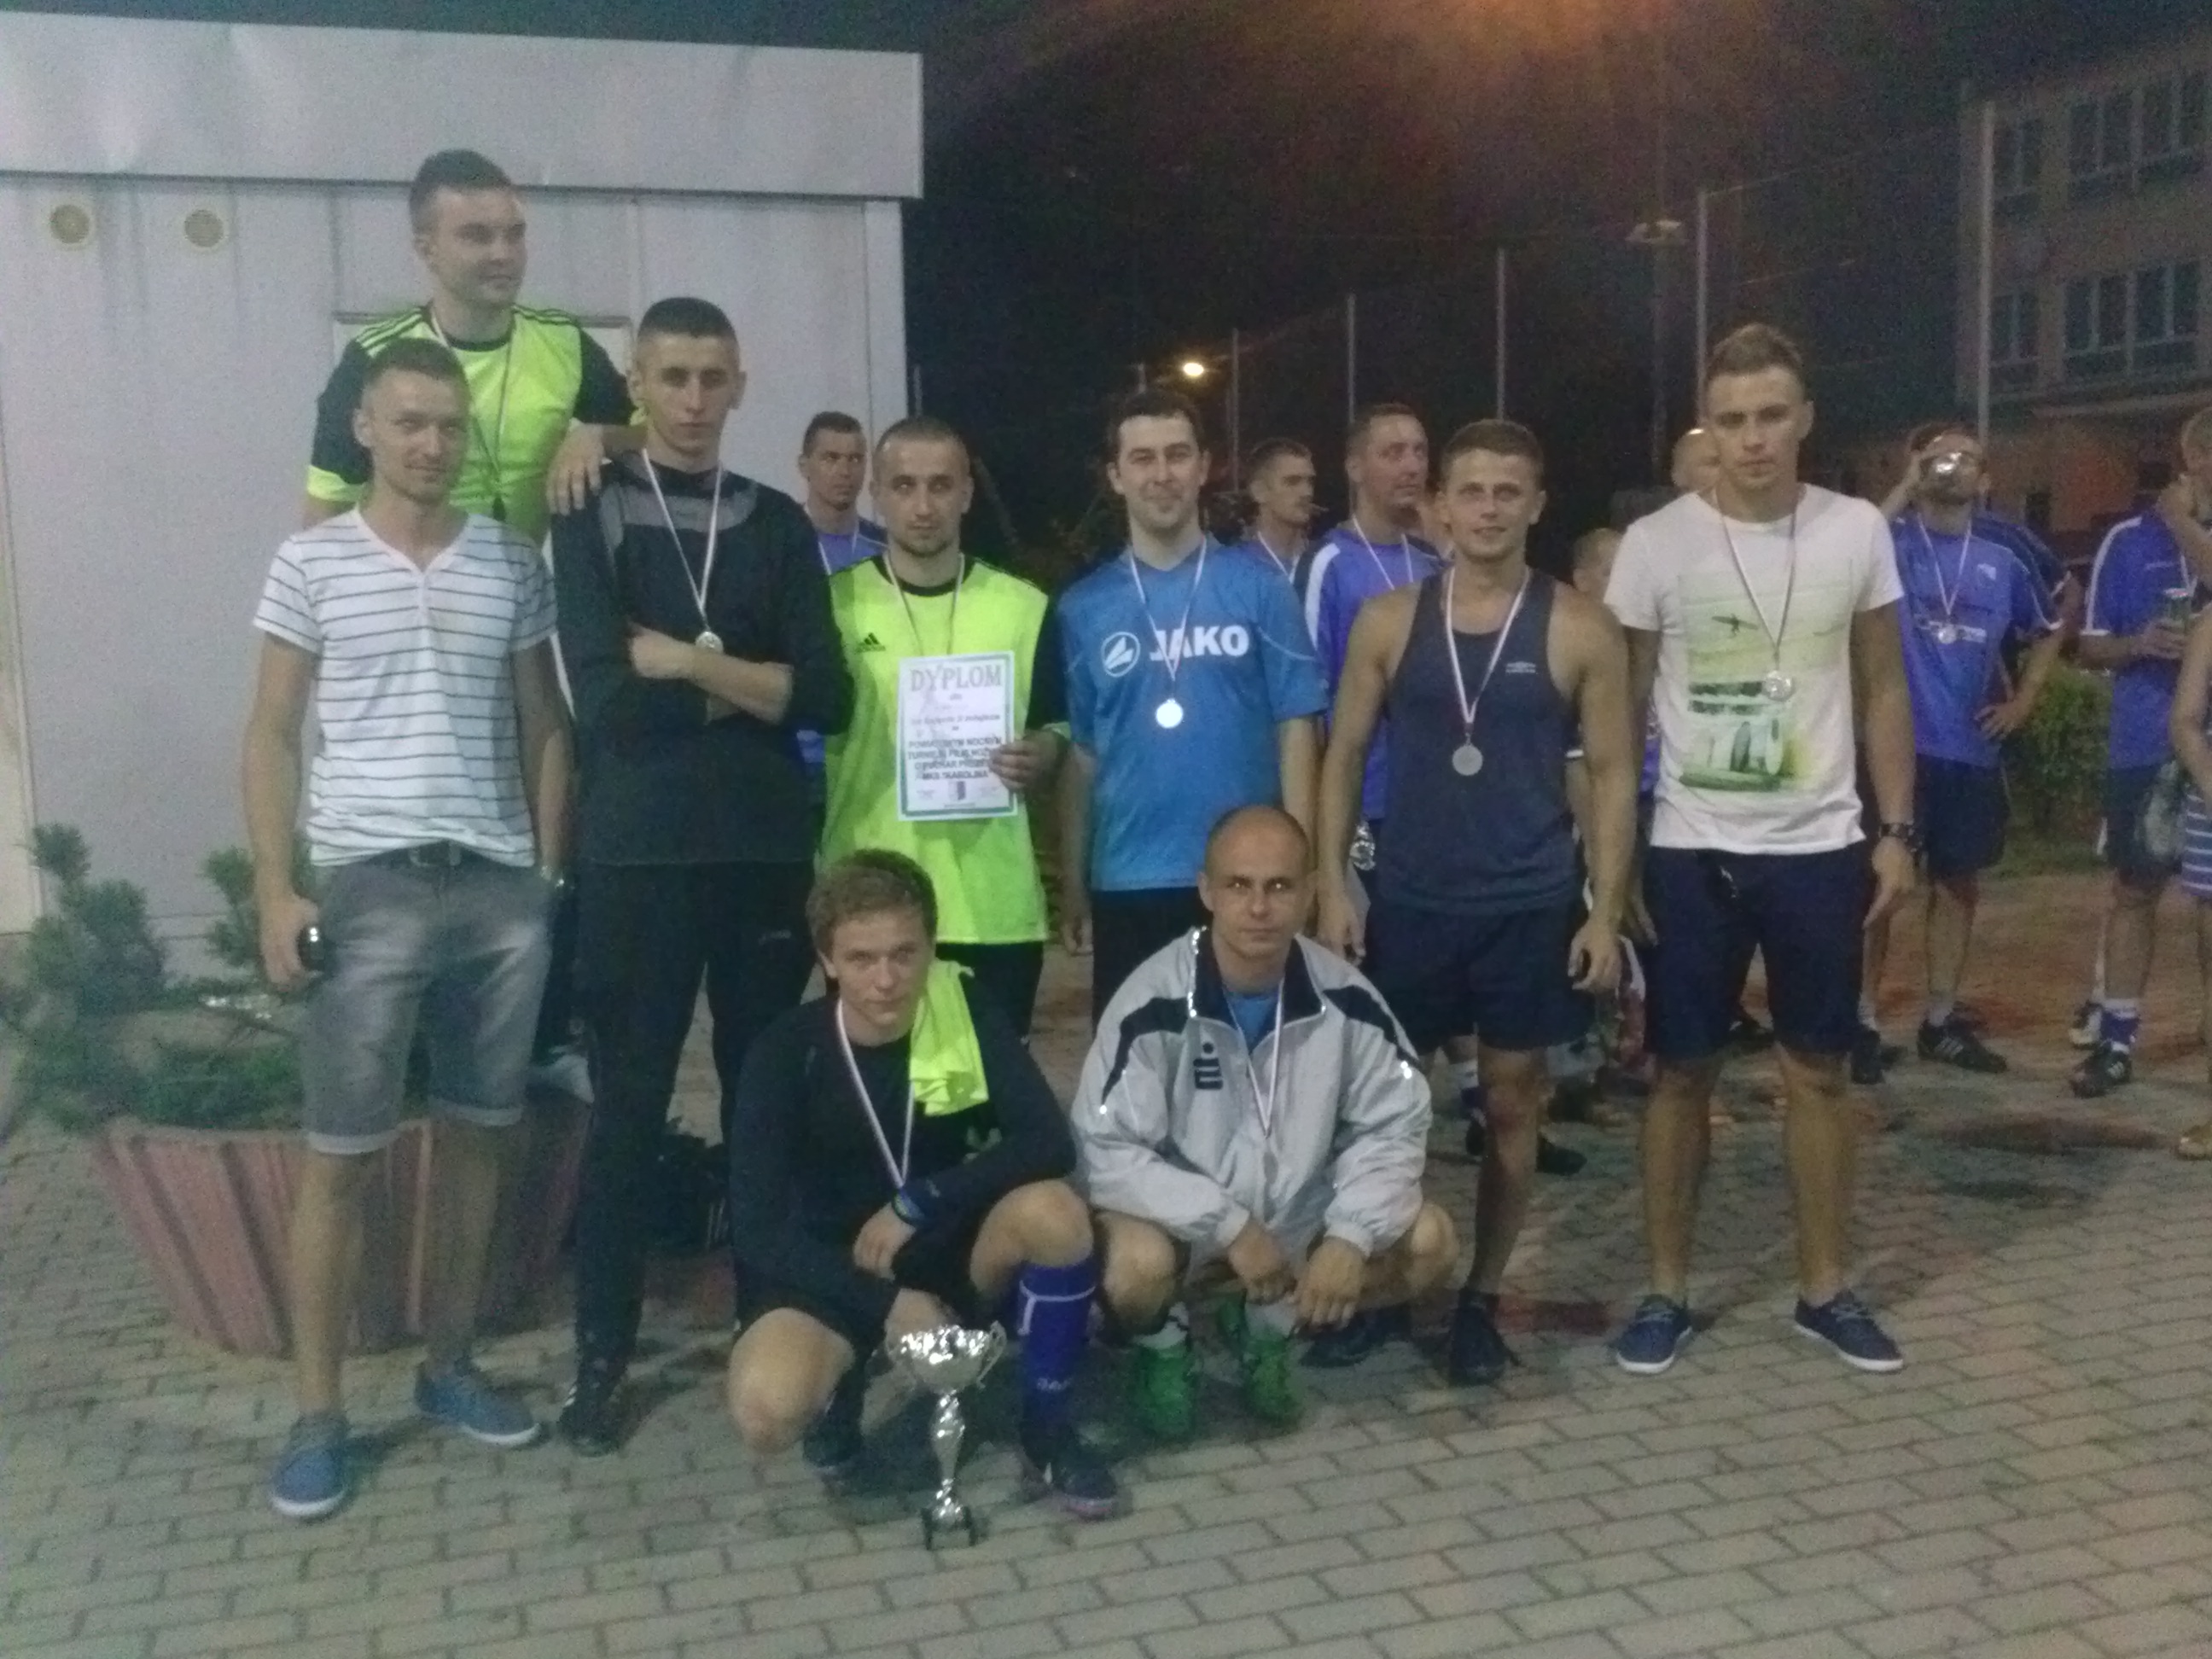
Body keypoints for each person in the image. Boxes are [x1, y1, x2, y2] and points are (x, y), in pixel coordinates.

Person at [245, 337, 572, 1519]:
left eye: (448, 425)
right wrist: (276, 890)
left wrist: (546, 874)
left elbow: (545, 723)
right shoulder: (312, 561)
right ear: (367, 430)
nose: (432, 444)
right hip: (368, 889)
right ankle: (318, 1418)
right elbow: (271, 730)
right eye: (410, 423)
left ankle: (450, 1368)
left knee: (482, 1139)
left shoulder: (510, 563)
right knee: (340, 1156)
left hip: (496, 891)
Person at [548, 298, 852, 1454]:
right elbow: (604, 701)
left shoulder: (772, 521)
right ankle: (601, 1357)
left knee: (764, 1102)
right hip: (638, 858)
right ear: (636, 383)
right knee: (626, 1112)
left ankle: (772, 1329)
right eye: (670, 376)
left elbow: (827, 695)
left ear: (739, 386)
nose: (691, 399)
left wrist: (682, 660)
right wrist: (751, 686)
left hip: (763, 855)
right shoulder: (590, 507)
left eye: (711, 377)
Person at [1605, 323, 1918, 1377]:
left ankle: (1824, 1290)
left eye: (1771, 416)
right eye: (1732, 420)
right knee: (1679, 1074)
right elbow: (1622, 713)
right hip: (1691, 847)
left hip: (1820, 846)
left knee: (1818, 1072)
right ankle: (1665, 1292)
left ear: (1805, 419)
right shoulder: (1657, 544)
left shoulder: (1855, 530)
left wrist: (1896, 831)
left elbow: (1884, 687)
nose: (1752, 439)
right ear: (1709, 427)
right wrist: (1614, 864)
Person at [302, 148, 639, 1104]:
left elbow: (659, 433)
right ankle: (408, 1054)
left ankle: (543, 1031)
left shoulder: (566, 347)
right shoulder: (373, 360)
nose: (502, 252)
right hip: (414, 638)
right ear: (425, 246)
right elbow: (321, 518)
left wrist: (599, 432)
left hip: (521, 624)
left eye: (514, 232)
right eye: (477, 234)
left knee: (552, 814)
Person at [1317, 421, 1635, 1387]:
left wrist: (1605, 912)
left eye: (1508, 492)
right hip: (1411, 901)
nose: (1489, 509)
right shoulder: (1388, 621)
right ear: (1441, 507)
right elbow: (1342, 756)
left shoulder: (1581, 627)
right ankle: (1384, 1284)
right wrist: (1332, 884)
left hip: (1527, 905)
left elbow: (1613, 776)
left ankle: (1481, 1300)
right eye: (1472, 491)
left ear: (1537, 505)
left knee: (1509, 1104)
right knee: (1385, 1110)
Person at [725, 852, 1119, 1516]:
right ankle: (839, 1391)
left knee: (1055, 1212)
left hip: (950, 1252)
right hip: (839, 1272)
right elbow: (757, 1231)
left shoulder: (963, 1011)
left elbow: (1048, 1142)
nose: (886, 980)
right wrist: (885, 1303)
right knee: (766, 1410)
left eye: (904, 955)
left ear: (931, 948)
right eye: (862, 959)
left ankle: (1048, 1427)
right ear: (827, 960)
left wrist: (921, 1201)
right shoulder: (785, 1051)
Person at [1076, 806, 1458, 1435]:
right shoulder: (1153, 1001)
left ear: (1310, 892)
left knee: (1431, 1243)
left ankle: (1267, 1327)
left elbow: (1396, 1125)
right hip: (1186, 1225)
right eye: (1239, 885)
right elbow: (1105, 1148)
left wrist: (1351, 1234)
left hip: (1296, 1214)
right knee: (1133, 1270)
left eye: (1279, 886)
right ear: (1206, 891)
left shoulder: (1348, 999)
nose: (1259, 907)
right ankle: (1165, 1344)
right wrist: (1227, 1224)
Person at [1056, 387, 1327, 1022]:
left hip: (1245, 880)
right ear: (1115, 476)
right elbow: (1083, 754)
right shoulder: (1083, 607)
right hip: (1129, 877)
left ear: (1204, 467)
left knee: (1251, 1062)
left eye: (1177, 455)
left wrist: (1301, 865)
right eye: (1142, 458)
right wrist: (1073, 880)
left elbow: (1296, 729)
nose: (1162, 474)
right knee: (1141, 1070)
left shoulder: (1262, 589)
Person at [822, 416, 1066, 1035]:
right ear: (877, 492)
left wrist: (1040, 753)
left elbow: (1055, 729)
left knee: (987, 1091)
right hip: (870, 903)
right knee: (877, 1087)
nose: (924, 506)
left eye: (940, 485)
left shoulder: (1024, 606)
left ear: (966, 494)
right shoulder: (831, 605)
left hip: (994, 906)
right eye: (904, 486)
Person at [1855, 422, 2062, 1081]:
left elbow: (2051, 622)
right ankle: (1860, 1023)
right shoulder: (1890, 541)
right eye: (1938, 458)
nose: (1952, 467)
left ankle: (1941, 1021)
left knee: (1957, 885)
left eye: (1966, 458)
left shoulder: (2005, 552)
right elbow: (1847, 552)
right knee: (1877, 888)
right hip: (1893, 748)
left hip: (1969, 748)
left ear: (1987, 478)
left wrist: (2024, 699)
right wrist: (1906, 485)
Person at [2070, 406, 2212, 1097]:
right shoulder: (2127, 541)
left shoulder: (2183, 529)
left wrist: (2184, 524)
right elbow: (2090, 646)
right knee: (2135, 890)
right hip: (2145, 743)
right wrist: (2139, 644)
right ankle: (2116, 1038)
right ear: (2193, 460)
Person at [799, 411, 888, 575]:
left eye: (855, 459)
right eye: (831, 459)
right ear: (804, 466)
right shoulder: (779, 541)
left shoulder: (886, 546)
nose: (845, 471)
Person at [1239, 438, 1318, 579]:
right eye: (1292, 482)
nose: (1307, 492)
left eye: (1310, 482)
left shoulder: (1324, 561)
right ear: (1259, 491)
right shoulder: (1235, 565)